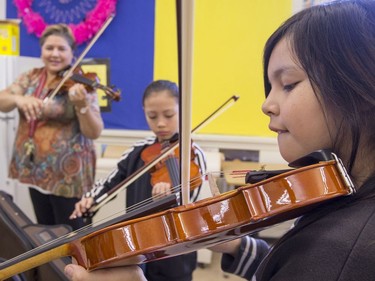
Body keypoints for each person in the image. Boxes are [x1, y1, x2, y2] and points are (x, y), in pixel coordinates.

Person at [64, 0, 375, 280]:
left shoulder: (343, 250)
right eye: (269, 87)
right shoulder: (342, 206)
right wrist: (238, 245)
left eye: (289, 84)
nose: (266, 104)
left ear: (361, 87)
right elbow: (286, 265)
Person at [70, 79, 207, 281]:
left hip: (175, 251)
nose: (160, 123)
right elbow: (110, 181)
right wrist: (90, 199)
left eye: (169, 115)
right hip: (137, 244)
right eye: (152, 116)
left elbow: (190, 198)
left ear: (183, 110)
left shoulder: (192, 154)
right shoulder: (138, 151)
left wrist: (171, 195)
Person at [0, 24, 104, 231]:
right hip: (35, 171)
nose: (54, 54)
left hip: (67, 177)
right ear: (41, 51)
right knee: (46, 233)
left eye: (61, 49)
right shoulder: (31, 77)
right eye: (49, 48)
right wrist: (19, 99)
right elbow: (3, 100)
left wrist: (82, 105)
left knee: (71, 234)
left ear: (72, 53)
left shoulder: (81, 83)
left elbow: (94, 132)